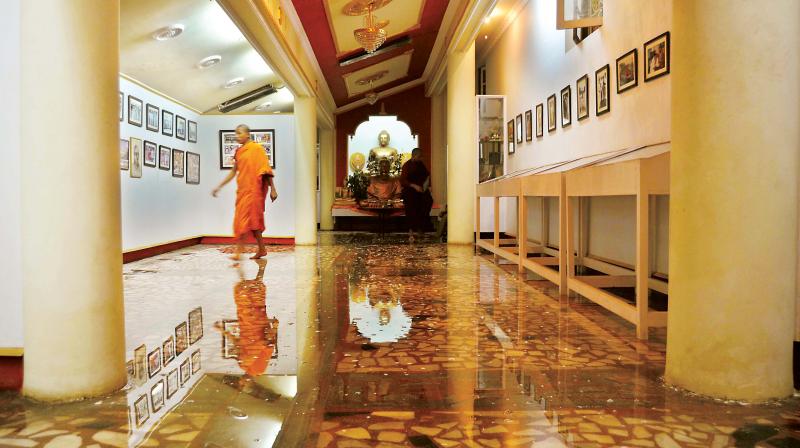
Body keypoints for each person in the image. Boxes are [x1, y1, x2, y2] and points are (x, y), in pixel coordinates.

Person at [212, 124, 277, 260]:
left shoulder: (257, 149)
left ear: (247, 134)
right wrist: (219, 186)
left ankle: (240, 252)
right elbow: (233, 172)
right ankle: (261, 249)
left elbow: (266, 170)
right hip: (243, 191)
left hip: (254, 190)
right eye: (235, 133)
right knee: (242, 220)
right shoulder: (239, 152)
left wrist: (273, 189)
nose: (237, 136)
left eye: (239, 133)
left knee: (253, 222)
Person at [400, 148, 433, 241]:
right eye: (419, 157)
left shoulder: (420, 164)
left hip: (421, 190)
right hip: (410, 190)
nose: (420, 158)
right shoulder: (407, 165)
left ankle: (421, 229)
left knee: (428, 201)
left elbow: (426, 175)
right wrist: (414, 186)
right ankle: (411, 231)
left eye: (421, 157)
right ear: (414, 156)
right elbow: (403, 181)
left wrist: (426, 185)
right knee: (411, 208)